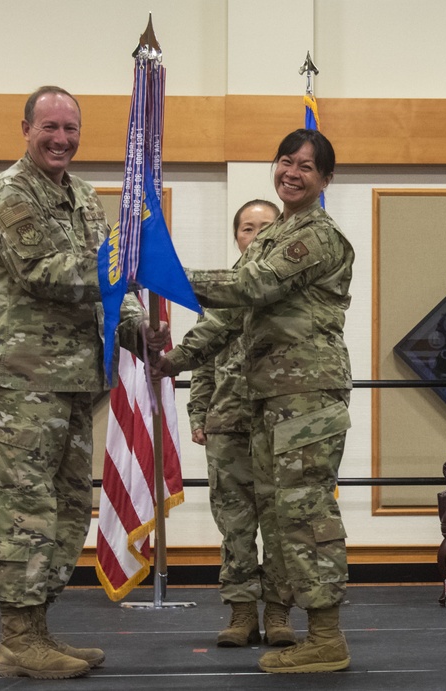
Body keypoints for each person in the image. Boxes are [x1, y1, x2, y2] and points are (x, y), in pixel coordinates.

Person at [0, 86, 166, 680]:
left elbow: (108, 284)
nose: (61, 139)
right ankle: (16, 638)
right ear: (25, 128)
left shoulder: (83, 195)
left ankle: (38, 629)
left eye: (71, 129)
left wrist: (138, 330)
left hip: (77, 381)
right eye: (49, 127)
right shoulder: (8, 194)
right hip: (20, 381)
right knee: (28, 509)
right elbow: (45, 274)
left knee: (70, 507)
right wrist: (130, 262)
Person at [155, 129, 354, 674]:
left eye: (306, 167)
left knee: (305, 515)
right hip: (272, 401)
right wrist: (170, 362)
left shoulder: (314, 235)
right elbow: (226, 320)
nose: (292, 173)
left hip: (306, 397)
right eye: (285, 162)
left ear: (325, 180)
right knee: (279, 516)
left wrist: (162, 275)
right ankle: (305, 629)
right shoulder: (275, 235)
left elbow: (251, 289)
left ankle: (326, 637)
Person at [180, 199, 295, 648]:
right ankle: (242, 613)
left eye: (265, 227)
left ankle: (280, 613)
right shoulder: (219, 293)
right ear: (237, 236)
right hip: (227, 424)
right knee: (235, 525)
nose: (255, 235)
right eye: (247, 228)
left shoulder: (291, 291)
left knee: (282, 523)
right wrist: (198, 413)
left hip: (280, 424)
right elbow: (202, 359)